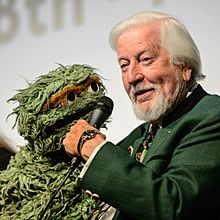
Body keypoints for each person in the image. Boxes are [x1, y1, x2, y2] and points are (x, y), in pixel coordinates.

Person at [63, 11, 220, 220]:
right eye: (124, 65)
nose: (132, 77)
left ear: (184, 67)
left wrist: (93, 149)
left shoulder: (212, 115)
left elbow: (174, 206)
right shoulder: (141, 134)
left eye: (145, 59)